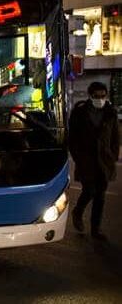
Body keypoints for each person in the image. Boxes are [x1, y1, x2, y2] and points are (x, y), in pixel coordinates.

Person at [69, 81, 119, 240]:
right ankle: (78, 211)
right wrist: (78, 157)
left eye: (103, 96)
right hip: (86, 160)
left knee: (100, 196)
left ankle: (96, 230)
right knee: (89, 190)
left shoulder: (110, 112)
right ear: (90, 96)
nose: (100, 99)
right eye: (97, 96)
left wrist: (113, 157)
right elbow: (72, 138)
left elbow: (115, 137)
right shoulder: (80, 112)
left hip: (104, 160)